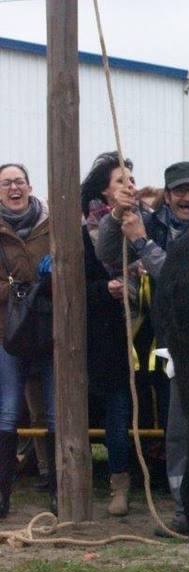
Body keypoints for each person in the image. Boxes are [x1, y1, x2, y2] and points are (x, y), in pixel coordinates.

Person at [97, 160, 189, 534]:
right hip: (171, 344)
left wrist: (141, 242)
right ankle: (187, 510)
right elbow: (107, 253)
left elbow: (182, 279)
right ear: (167, 195)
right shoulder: (151, 220)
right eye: (180, 191)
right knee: (180, 430)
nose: (188, 197)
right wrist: (116, 215)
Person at [80, 152, 147, 516]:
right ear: (104, 190)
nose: (129, 187)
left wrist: (134, 289)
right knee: (116, 409)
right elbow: (80, 281)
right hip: (106, 332)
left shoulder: (147, 220)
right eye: (120, 181)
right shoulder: (83, 228)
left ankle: (153, 476)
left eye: (132, 181)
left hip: (145, 328)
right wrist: (106, 289)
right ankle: (117, 484)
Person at [0, 163, 55, 519]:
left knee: (55, 410)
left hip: (52, 330)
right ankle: (2, 496)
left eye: (19, 181)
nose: (14, 188)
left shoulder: (54, 224)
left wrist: (55, 275)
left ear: (30, 186)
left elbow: (74, 268)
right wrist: (20, 289)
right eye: (6, 183)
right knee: (7, 411)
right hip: (7, 331)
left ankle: (60, 492)